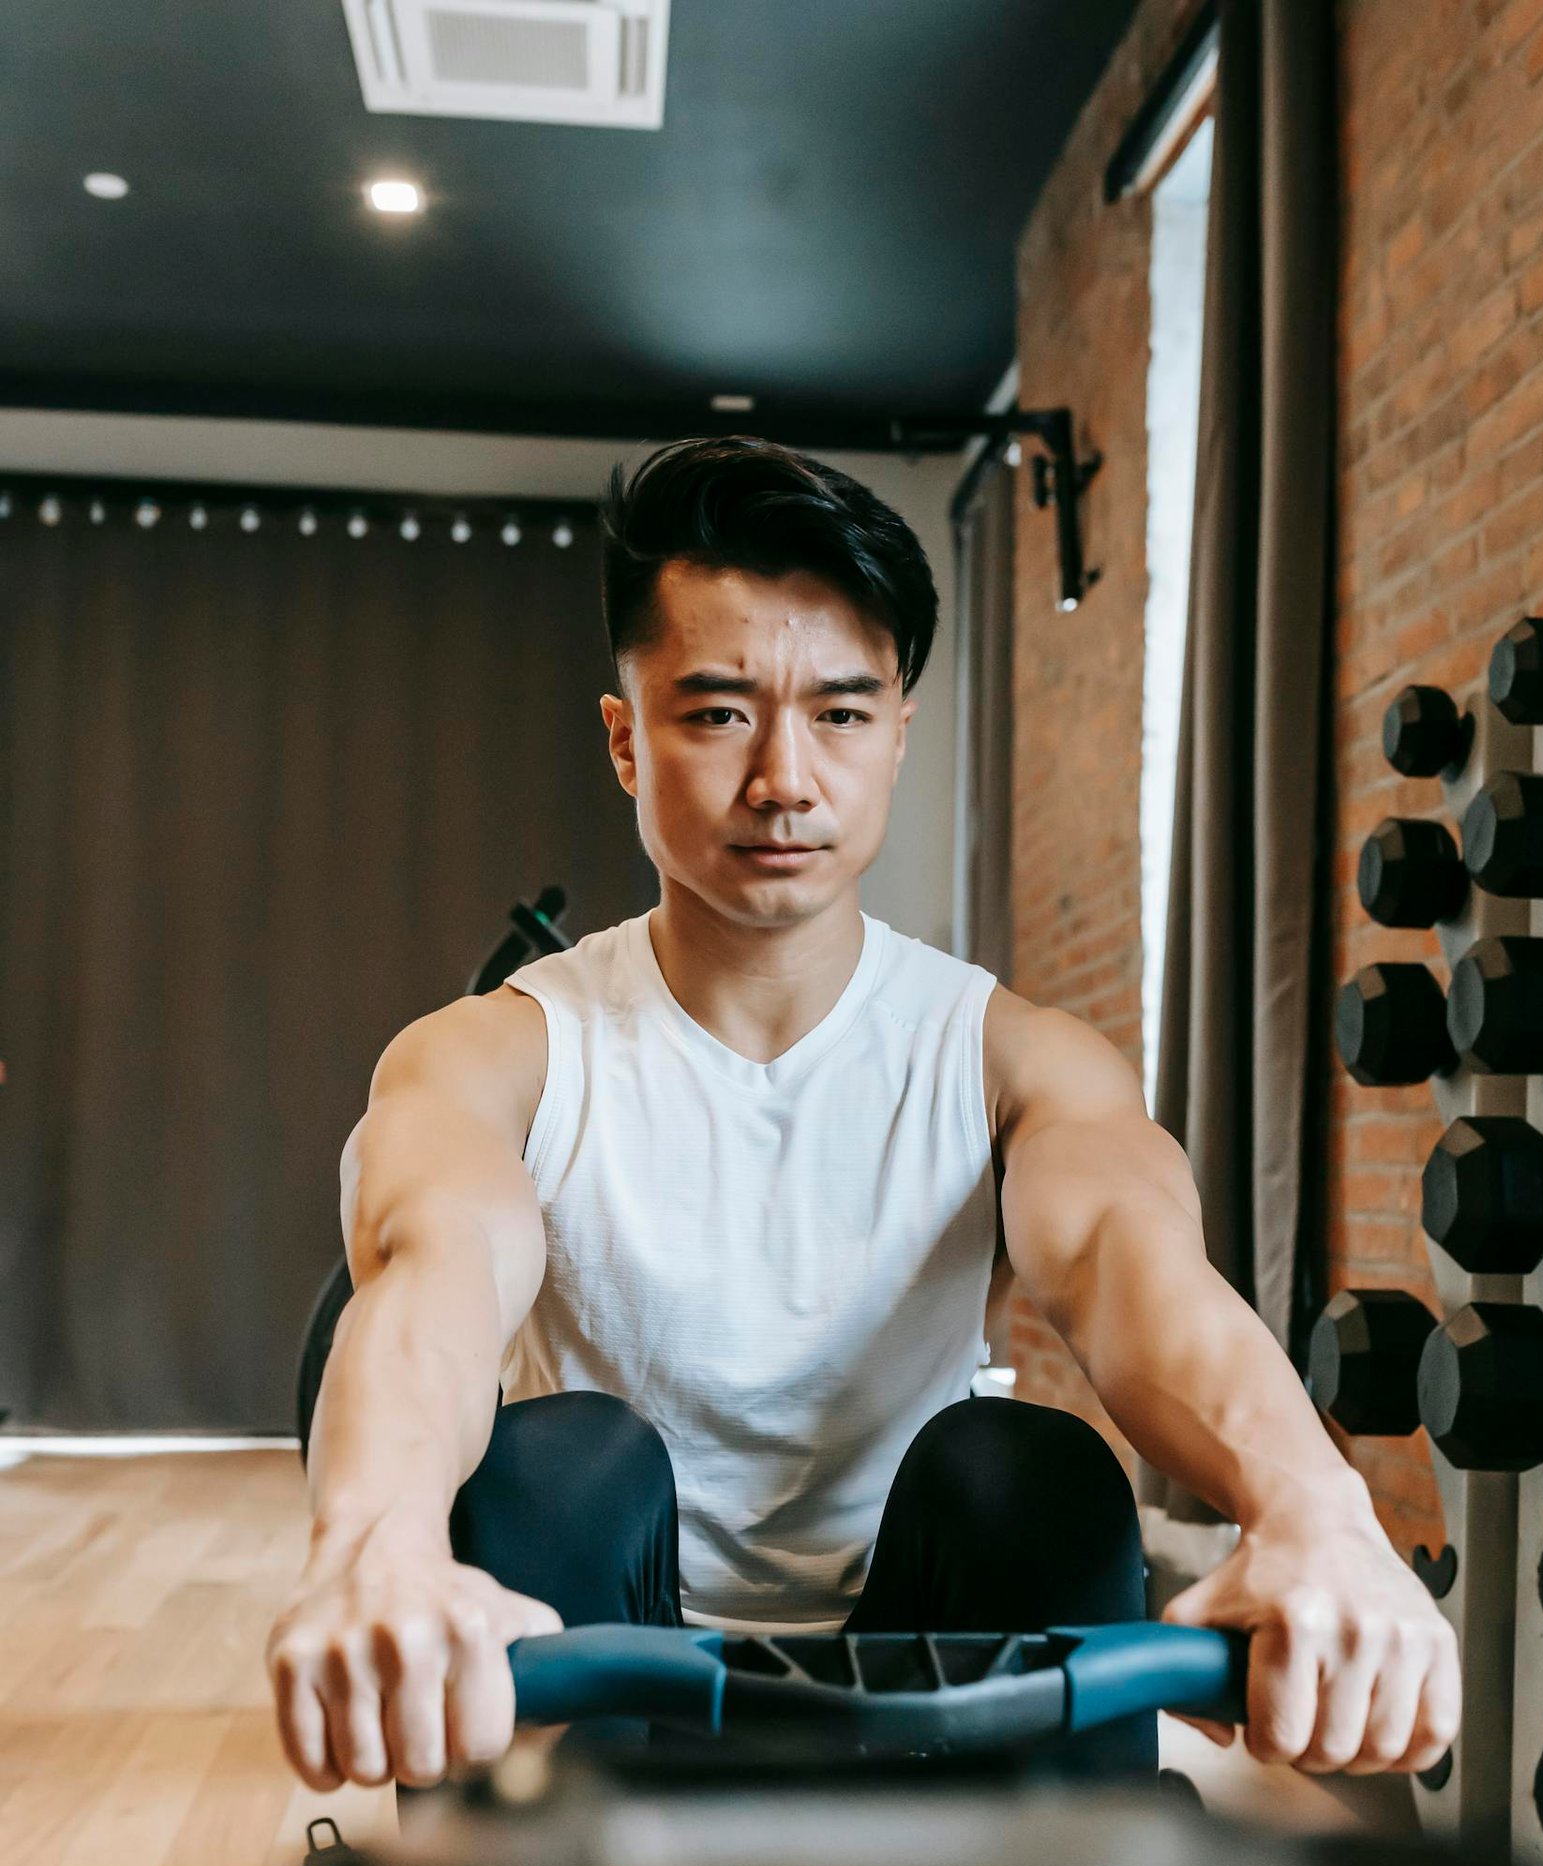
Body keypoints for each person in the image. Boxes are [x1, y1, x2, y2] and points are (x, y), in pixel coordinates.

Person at [269, 437, 1459, 1795]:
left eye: (840, 714)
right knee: (554, 1464)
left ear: (898, 730)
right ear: (624, 739)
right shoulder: (499, 1055)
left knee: (1040, 1470)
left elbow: (1142, 1273)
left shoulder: (1018, 1060)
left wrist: (1318, 1512)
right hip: (601, 1668)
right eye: (717, 714)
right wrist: (375, 1548)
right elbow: (432, 1281)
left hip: (933, 1681)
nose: (784, 777)